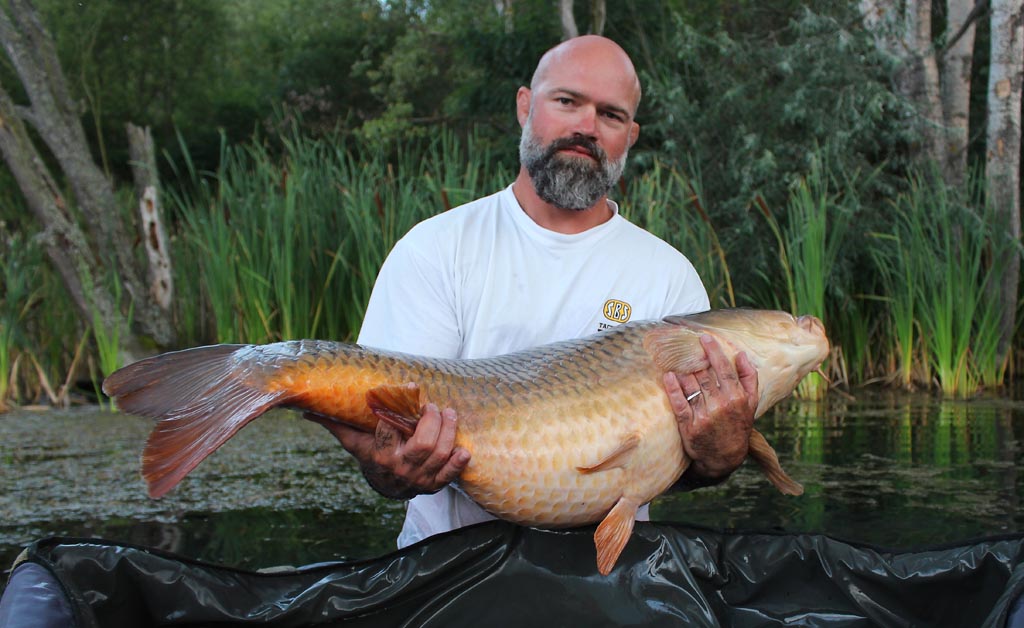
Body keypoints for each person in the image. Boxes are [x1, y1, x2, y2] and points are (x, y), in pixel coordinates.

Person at [315, 35, 759, 549]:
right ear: (526, 105)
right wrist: (390, 468)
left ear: (630, 136)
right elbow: (386, 456)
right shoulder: (436, 249)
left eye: (610, 116)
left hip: (613, 581)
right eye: (567, 101)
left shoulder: (668, 276)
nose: (586, 127)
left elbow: (676, 467)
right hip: (446, 575)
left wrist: (719, 458)